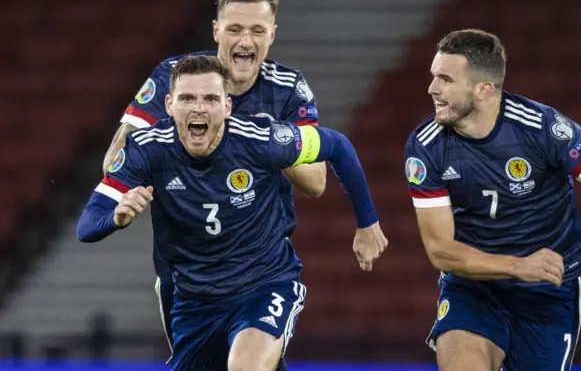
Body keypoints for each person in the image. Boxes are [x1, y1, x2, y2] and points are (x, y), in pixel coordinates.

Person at [78, 55, 388, 370]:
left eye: (210, 99)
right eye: (187, 98)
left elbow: (337, 145)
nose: (199, 108)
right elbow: (87, 226)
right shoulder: (145, 149)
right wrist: (115, 218)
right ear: (169, 105)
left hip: (264, 285)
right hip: (197, 303)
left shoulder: (263, 139)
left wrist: (367, 224)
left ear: (227, 107)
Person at [102, 0, 328, 350]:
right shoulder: (175, 78)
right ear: (215, 30)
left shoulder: (288, 90)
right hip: (185, 273)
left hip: (258, 270)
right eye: (234, 29)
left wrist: (267, 141)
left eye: (257, 30)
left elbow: (316, 181)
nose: (244, 41)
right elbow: (115, 160)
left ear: (272, 35)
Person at [404, 28, 581, 371]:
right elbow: (440, 249)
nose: (432, 89)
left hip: (549, 293)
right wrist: (518, 265)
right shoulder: (426, 146)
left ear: (484, 90)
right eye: (433, 77)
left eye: (445, 79)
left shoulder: (543, 129)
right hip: (474, 287)